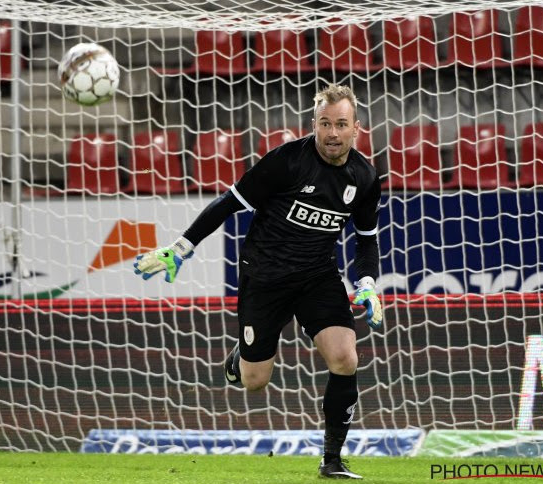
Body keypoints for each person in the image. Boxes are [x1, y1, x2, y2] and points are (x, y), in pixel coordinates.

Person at [133, 83, 383, 480]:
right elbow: (227, 203)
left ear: (356, 128)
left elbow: (366, 239)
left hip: (317, 275)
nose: (332, 133)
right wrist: (180, 248)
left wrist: (367, 282)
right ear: (313, 124)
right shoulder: (286, 161)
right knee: (254, 381)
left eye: (340, 124)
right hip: (265, 276)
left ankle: (331, 460)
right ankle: (241, 357)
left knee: (345, 358)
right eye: (324, 124)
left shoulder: (365, 176)